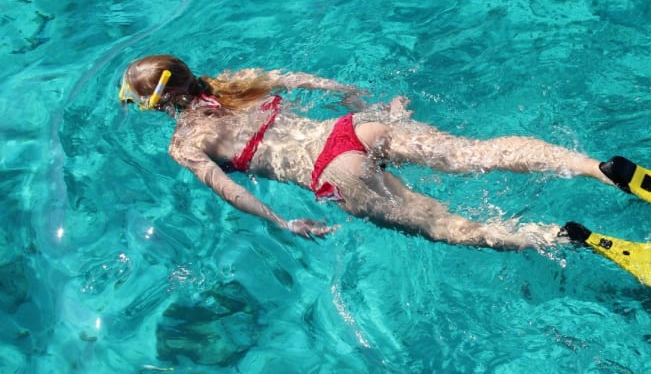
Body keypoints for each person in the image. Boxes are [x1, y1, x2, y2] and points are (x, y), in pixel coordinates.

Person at [117, 55, 617, 250]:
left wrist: (282, 221)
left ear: (158, 104)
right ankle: (595, 167)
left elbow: (229, 190)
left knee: (447, 225)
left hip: (333, 172)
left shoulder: (185, 143)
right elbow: (313, 81)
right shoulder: (237, 80)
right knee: (476, 154)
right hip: (357, 128)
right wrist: (364, 104)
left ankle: (555, 236)